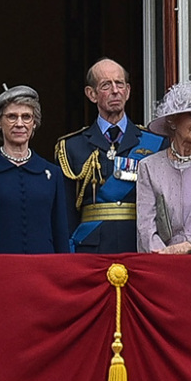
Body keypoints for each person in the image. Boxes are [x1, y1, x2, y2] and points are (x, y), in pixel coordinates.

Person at [55, 58, 166, 252]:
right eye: (106, 85)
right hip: (90, 250)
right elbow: (66, 215)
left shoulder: (155, 143)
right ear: (91, 94)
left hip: (139, 246)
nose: (115, 90)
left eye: (120, 84)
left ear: (128, 91)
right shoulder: (71, 147)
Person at [0, 85, 69, 254]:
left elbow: (60, 231)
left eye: (26, 117)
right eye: (11, 117)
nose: (19, 124)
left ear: (35, 123)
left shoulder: (52, 174)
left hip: (42, 270)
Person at [136, 81, 191, 254]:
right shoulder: (149, 167)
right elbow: (145, 226)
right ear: (172, 120)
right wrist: (164, 256)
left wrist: (189, 246)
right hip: (164, 265)